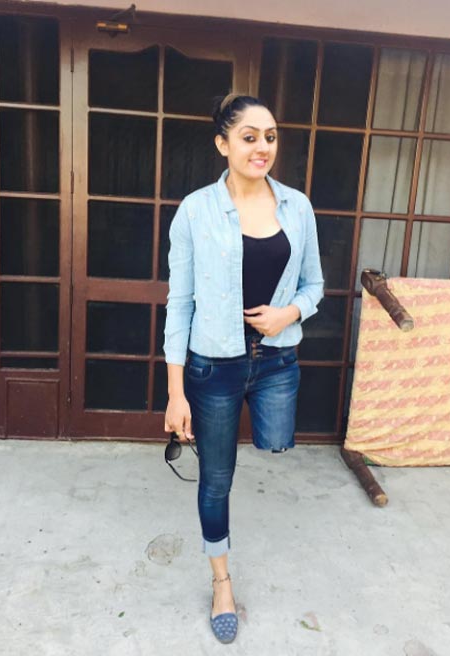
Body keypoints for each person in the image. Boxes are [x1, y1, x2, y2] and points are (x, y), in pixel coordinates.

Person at [163, 93, 324, 644]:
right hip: (214, 366)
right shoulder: (195, 211)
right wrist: (176, 394)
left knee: (275, 443)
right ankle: (222, 582)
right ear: (223, 144)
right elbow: (179, 303)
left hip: (276, 361)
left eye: (270, 136)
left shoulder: (297, 208)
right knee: (217, 478)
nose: (262, 147)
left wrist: (289, 313)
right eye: (249, 137)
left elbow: (315, 284)